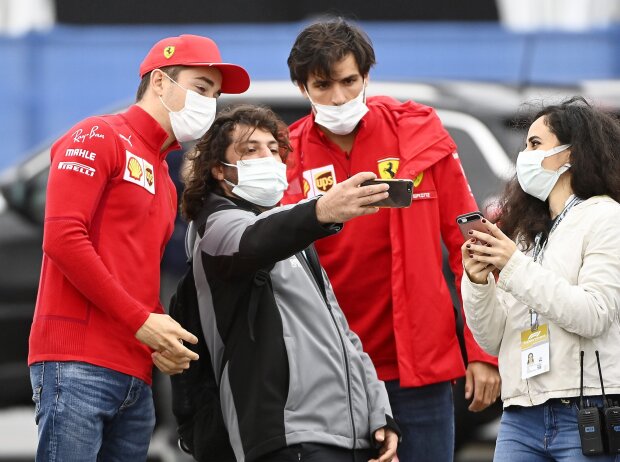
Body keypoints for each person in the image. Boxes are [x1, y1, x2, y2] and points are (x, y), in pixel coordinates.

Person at [282, 17, 500, 461]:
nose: (339, 97)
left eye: (349, 81)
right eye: (323, 85)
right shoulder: (285, 155)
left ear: (366, 77)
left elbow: (471, 246)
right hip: (329, 372)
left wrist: (483, 352)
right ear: (302, 87)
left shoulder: (417, 134)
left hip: (418, 371)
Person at [27, 34, 250, 461]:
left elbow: (135, 275)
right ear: (161, 83)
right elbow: (62, 238)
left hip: (136, 373)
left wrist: (159, 338)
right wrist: (142, 322)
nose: (210, 103)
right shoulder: (98, 134)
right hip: (76, 362)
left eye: (215, 95)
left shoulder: (166, 181)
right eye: (201, 88)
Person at [181, 104, 400, 462]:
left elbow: (343, 333)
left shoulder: (297, 238)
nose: (267, 157)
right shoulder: (214, 228)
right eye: (250, 150)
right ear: (220, 170)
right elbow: (252, 240)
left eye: (272, 149)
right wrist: (321, 210)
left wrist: (379, 413)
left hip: (354, 435)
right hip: (286, 435)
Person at [461, 97, 620, 461]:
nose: (525, 156)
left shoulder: (606, 217)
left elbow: (593, 314)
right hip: (521, 415)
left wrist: (513, 265)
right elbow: (492, 339)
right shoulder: (526, 233)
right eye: (526, 145)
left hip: (584, 409)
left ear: (572, 154)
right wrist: (478, 283)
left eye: (536, 144)